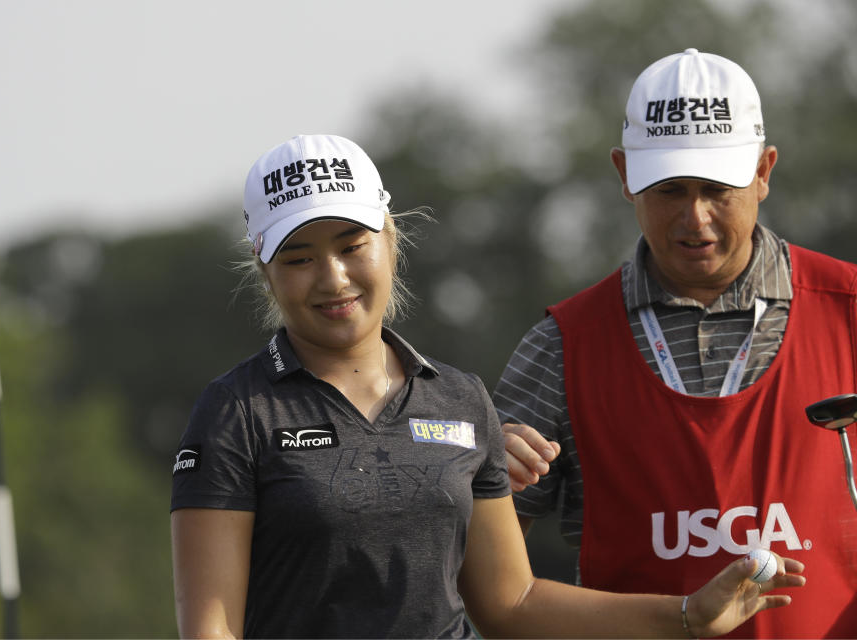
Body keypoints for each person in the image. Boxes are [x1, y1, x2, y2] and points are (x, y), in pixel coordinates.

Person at [169, 133, 803, 639]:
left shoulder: (461, 400)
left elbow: (512, 604)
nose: (333, 279)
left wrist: (686, 615)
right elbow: (213, 628)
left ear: (391, 241)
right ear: (265, 269)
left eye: (351, 244)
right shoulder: (236, 412)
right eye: (299, 258)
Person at [496, 48, 856, 638]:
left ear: (763, 172)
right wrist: (483, 483)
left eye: (718, 188)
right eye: (669, 190)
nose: (695, 218)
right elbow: (490, 586)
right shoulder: (561, 346)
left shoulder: (850, 312)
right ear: (624, 175)